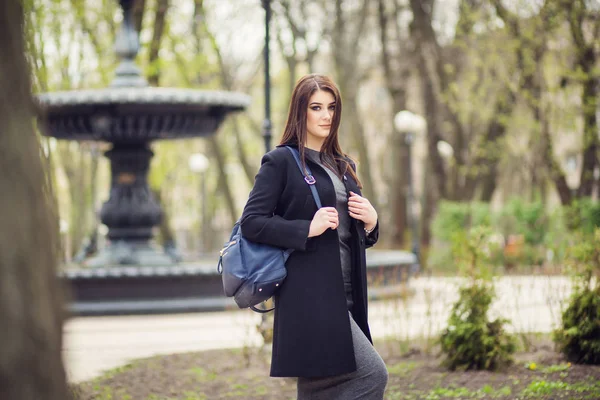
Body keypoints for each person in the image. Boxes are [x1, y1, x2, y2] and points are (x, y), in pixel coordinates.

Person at [240, 74, 388, 399]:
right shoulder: (281, 162)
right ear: (300, 112)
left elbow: (354, 235)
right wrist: (306, 228)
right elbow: (251, 222)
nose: (326, 115)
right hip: (311, 296)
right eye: (316, 107)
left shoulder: (343, 165)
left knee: (321, 387)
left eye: (331, 107)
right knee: (372, 375)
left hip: (348, 294)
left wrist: (372, 223)